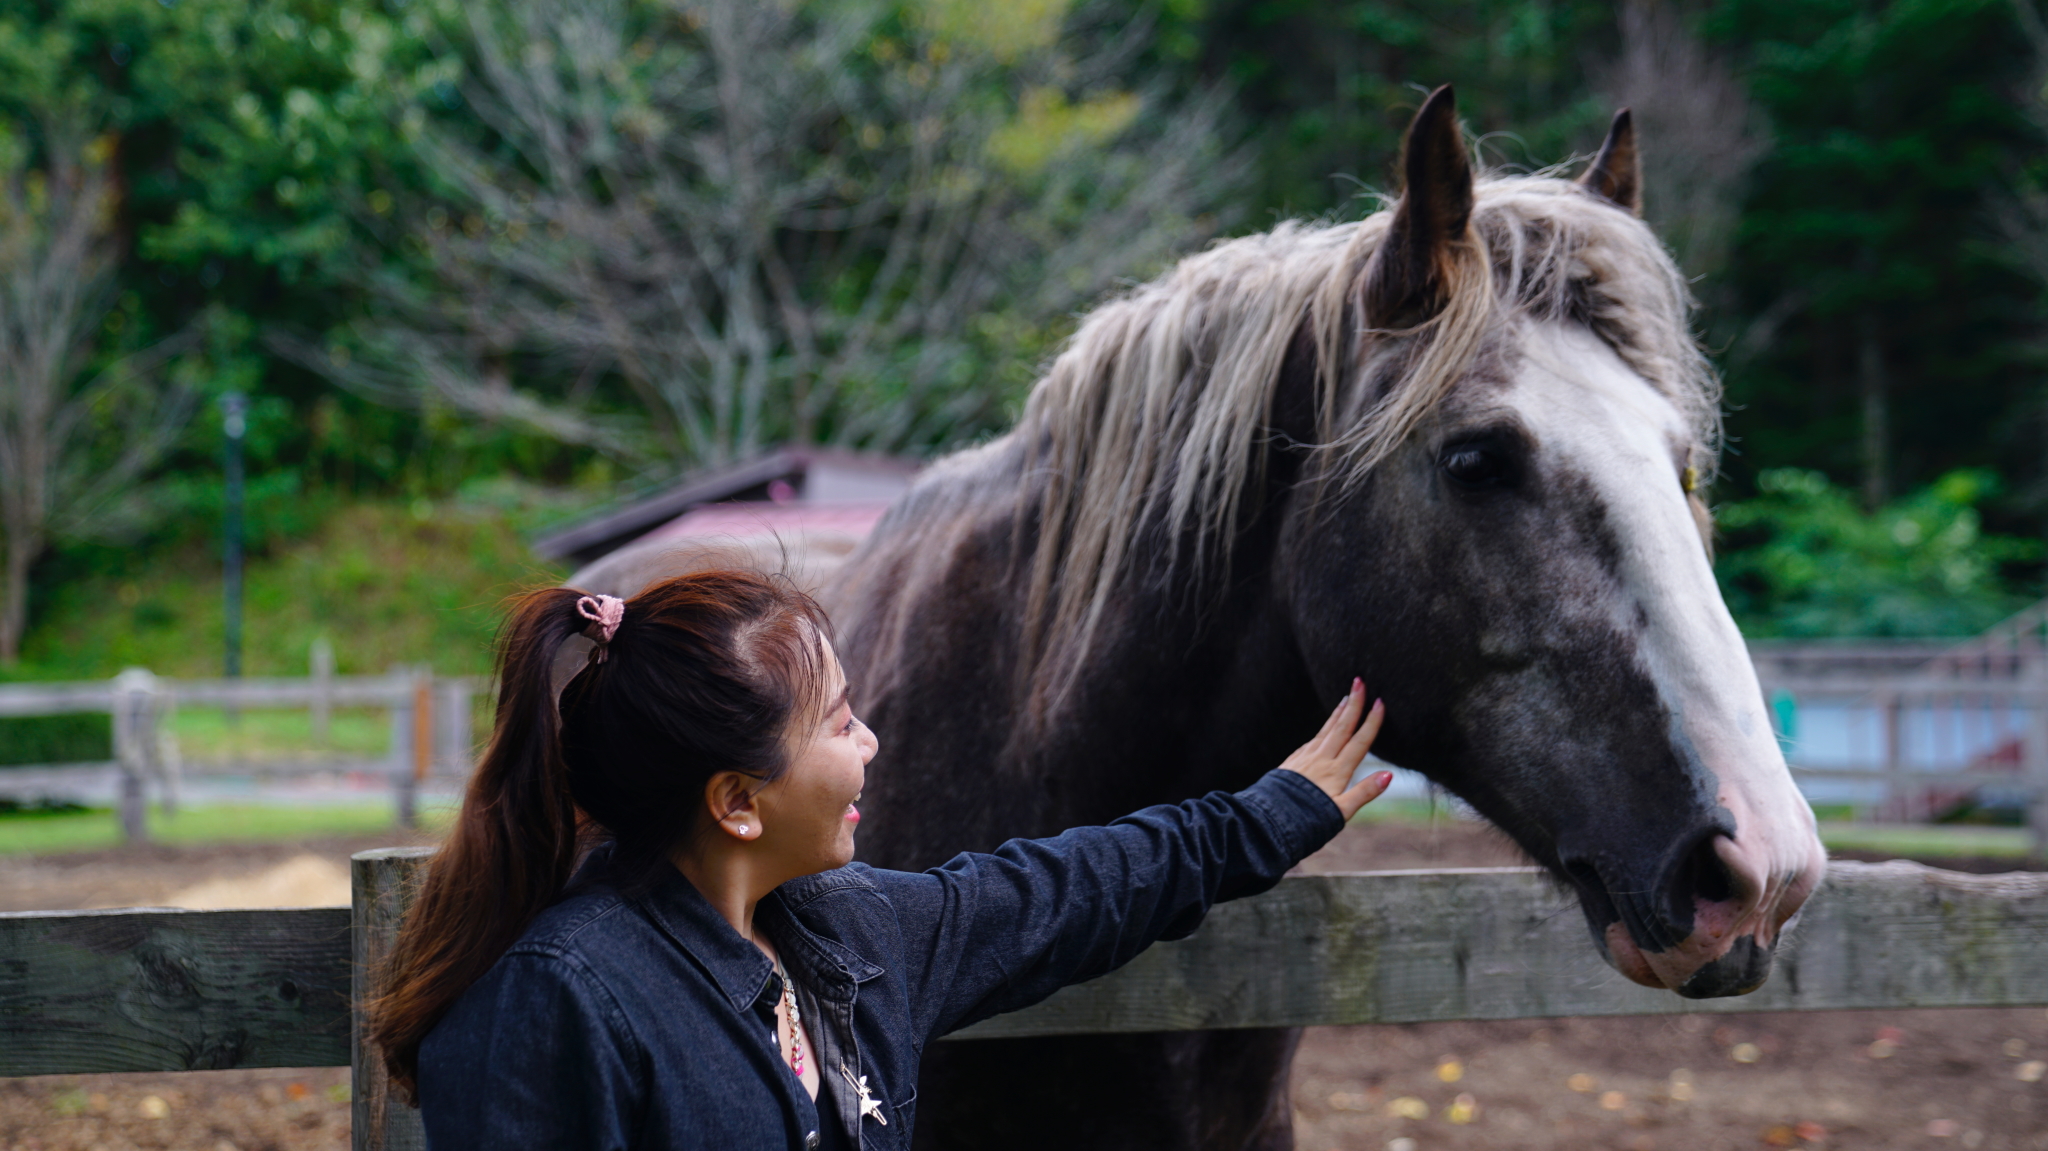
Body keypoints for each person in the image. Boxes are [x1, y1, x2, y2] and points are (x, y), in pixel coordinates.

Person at [369, 570, 1391, 1150]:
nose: (871, 743)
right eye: (842, 721)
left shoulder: (849, 932)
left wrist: (1272, 813)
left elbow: (1072, 889)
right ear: (736, 800)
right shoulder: (555, 1003)